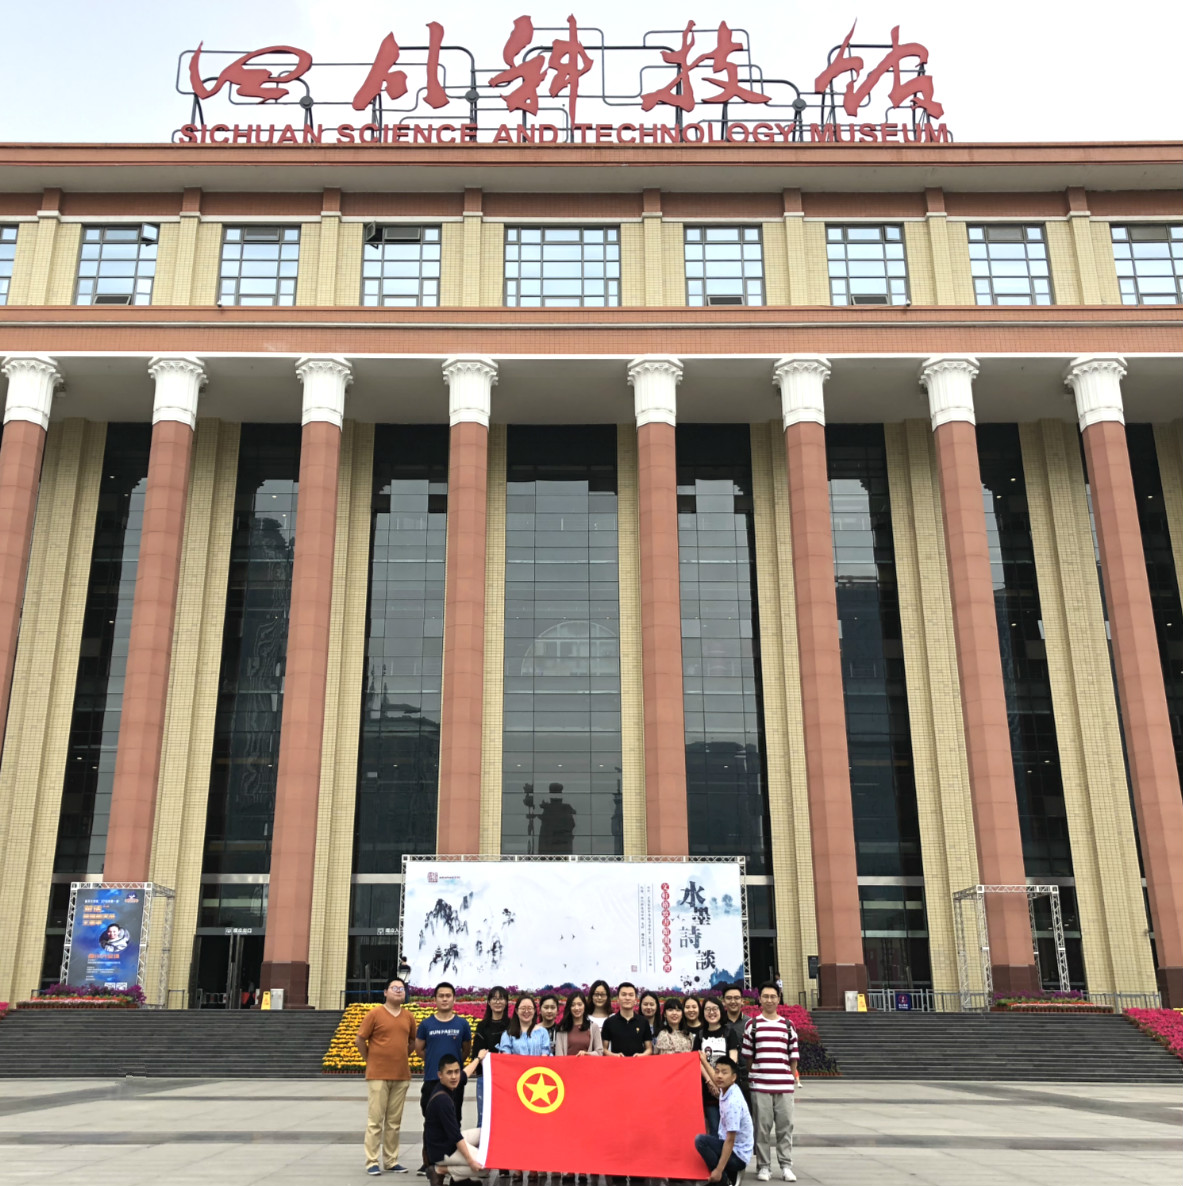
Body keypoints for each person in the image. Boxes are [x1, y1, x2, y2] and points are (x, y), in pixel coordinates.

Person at [356, 975, 417, 1175]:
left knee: (394, 1122)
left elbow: (412, 1042)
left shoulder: (408, 1016)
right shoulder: (375, 1014)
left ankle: (391, 1160)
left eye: (401, 989)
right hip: (378, 1075)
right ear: (385, 992)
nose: (398, 991)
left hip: (401, 1075)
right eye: (394, 988)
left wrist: (402, 1056)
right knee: (375, 1121)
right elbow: (360, 1039)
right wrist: (370, 1060)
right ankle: (372, 1161)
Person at [740, 982, 799, 1183]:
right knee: (762, 1129)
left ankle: (786, 1165)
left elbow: (793, 1057)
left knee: (785, 1127)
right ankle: (763, 1166)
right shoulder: (752, 1025)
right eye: (765, 996)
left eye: (773, 996)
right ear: (760, 999)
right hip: (761, 1086)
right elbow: (748, 1057)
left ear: (779, 998)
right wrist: (756, 1075)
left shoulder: (788, 1026)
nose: (769, 1000)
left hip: (783, 1086)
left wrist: (789, 1078)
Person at [414, 982, 473, 1175]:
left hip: (454, 1083)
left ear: (454, 999)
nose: (445, 999)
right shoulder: (426, 1024)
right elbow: (419, 1049)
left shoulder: (462, 1024)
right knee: (430, 1122)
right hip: (432, 1080)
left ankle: (450, 1158)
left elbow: (466, 1050)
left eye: (448, 996)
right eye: (441, 996)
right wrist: (436, 1065)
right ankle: (428, 1162)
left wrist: (452, 1070)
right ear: (435, 999)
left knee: (454, 1120)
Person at [424, 1055, 485, 1186]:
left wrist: (479, 1058)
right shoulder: (443, 1100)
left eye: (456, 1072)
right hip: (442, 1150)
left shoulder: (450, 1083)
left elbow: (465, 1074)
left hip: (446, 1140)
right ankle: (439, 1170)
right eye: (449, 1073)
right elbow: (456, 1137)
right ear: (440, 1075)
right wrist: (470, 1161)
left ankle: (459, 1179)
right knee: (485, 1166)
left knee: (485, 1133)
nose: (454, 1076)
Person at [694, 1057, 754, 1186]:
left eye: (724, 1072)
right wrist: (703, 1060)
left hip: (738, 1156)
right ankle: (728, 1174)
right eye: (717, 1071)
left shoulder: (733, 1103)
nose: (719, 1076)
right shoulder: (728, 1088)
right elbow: (715, 1077)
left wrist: (718, 1171)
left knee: (701, 1141)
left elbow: (730, 1140)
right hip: (732, 1147)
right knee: (706, 1141)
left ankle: (724, 1180)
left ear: (733, 1077)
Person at [695, 998, 738, 1138]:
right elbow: (698, 1061)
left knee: (730, 1131)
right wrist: (710, 1082)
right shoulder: (700, 1035)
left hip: (726, 1089)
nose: (711, 1012)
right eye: (707, 1009)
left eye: (715, 1009)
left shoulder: (729, 1032)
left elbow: (733, 1059)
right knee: (714, 1129)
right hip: (709, 1091)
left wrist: (720, 1082)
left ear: (721, 1011)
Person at [470, 986, 509, 1127]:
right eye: (494, 998)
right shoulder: (482, 1026)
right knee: (484, 1119)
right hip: (485, 1077)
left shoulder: (512, 1025)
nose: (498, 1002)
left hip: (507, 1078)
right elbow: (477, 1053)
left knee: (506, 1118)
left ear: (506, 1002)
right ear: (488, 1002)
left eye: (501, 998)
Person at [601, 982, 652, 1057]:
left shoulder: (643, 1022)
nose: (627, 998)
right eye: (624, 995)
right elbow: (603, 1049)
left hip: (638, 1063)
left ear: (635, 1000)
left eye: (631, 995)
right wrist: (614, 1055)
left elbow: (649, 1049)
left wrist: (641, 1055)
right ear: (618, 999)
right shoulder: (609, 1022)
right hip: (617, 1063)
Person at [721, 983, 752, 1105]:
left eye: (736, 998)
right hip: (724, 1079)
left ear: (742, 1001)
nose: (733, 1001)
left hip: (747, 1079)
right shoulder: (718, 1024)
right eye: (729, 998)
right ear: (723, 1001)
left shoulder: (750, 1024)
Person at [554, 990, 603, 1056]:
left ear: (584, 1006)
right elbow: (559, 1055)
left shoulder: (594, 1027)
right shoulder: (562, 1029)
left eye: (580, 1004)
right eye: (573, 1005)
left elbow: (599, 1052)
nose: (577, 1008)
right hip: (567, 1063)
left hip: (588, 1062)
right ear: (569, 1008)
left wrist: (587, 1054)